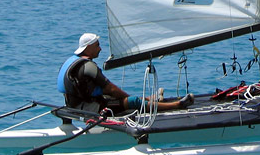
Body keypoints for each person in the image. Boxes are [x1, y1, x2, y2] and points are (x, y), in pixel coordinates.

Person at [57, 33, 194, 114]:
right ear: (88, 48)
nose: (100, 48)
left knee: (122, 98)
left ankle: (152, 99)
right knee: (132, 101)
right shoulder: (88, 66)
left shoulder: (71, 61)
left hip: (74, 105)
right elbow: (111, 89)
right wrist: (130, 100)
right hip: (91, 108)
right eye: (97, 45)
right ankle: (176, 105)